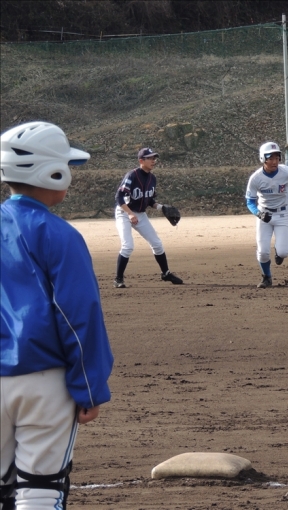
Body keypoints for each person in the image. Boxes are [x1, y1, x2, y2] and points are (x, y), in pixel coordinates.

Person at [1, 121, 115, 509]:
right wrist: (89, 387)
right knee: (40, 490)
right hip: (44, 381)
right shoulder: (60, 234)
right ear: (51, 172)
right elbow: (78, 316)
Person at [113, 147, 183, 288]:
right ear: (141, 161)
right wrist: (130, 213)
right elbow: (119, 197)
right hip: (124, 212)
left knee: (157, 244)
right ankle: (118, 279)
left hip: (140, 214)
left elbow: (149, 200)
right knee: (128, 246)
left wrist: (161, 207)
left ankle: (166, 273)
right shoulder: (132, 176)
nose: (153, 161)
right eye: (150, 158)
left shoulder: (152, 179)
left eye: (154, 158)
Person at [245, 142, 288, 288]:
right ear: (263, 159)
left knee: (283, 252)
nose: (274, 161)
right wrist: (259, 214)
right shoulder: (256, 178)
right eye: (270, 158)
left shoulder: (286, 172)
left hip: (282, 214)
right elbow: (250, 202)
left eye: (277, 158)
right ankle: (267, 277)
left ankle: (279, 253)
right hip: (264, 215)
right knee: (263, 252)